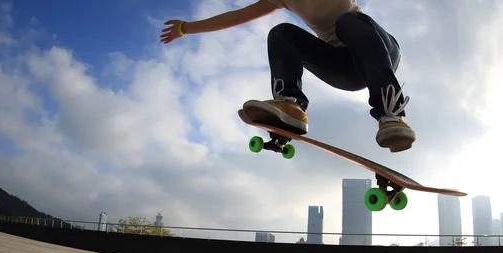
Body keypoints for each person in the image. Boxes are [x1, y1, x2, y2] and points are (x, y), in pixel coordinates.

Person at [160, 0, 415, 153]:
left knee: (348, 20)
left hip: (378, 51)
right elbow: (234, 17)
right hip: (344, 71)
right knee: (281, 33)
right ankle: (291, 107)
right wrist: (185, 28)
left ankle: (391, 114)